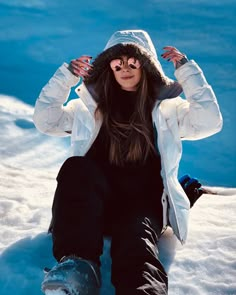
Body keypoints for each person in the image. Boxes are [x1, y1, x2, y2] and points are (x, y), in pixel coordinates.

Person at [33, 30, 222, 295]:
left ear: (145, 66)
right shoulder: (88, 109)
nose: (125, 68)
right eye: (117, 63)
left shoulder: (167, 110)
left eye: (133, 62)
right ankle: (79, 268)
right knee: (76, 168)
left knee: (137, 243)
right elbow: (46, 121)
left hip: (141, 207)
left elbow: (209, 122)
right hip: (94, 208)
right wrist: (65, 77)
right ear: (108, 66)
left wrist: (187, 71)